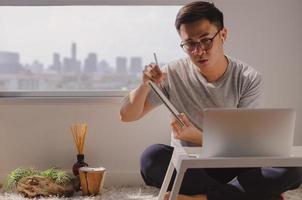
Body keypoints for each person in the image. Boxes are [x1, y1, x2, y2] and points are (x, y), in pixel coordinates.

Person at [120, 1, 302, 200]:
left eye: (206, 40)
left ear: (223, 35)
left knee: (293, 169)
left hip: (235, 166)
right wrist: (145, 84)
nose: (199, 51)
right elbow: (127, 115)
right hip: (191, 167)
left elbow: (246, 146)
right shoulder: (171, 74)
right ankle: (246, 195)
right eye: (190, 44)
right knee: (151, 157)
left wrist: (196, 136)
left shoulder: (248, 78)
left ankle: (203, 198)